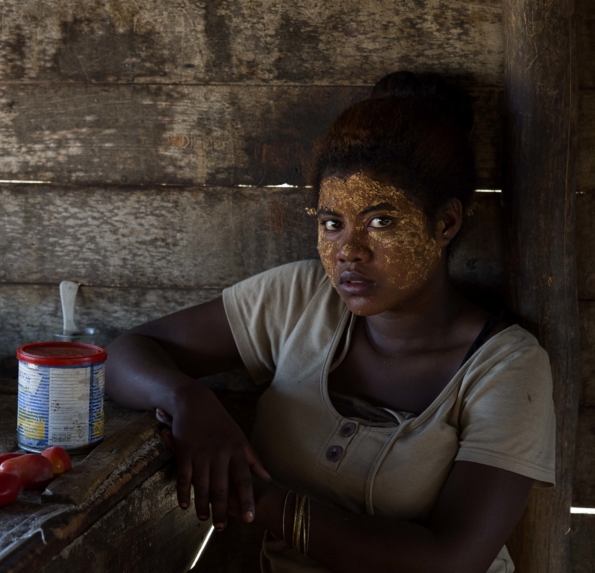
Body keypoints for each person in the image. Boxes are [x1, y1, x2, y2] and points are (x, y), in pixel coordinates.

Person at [105, 71, 556, 573]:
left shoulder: (506, 366)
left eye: (381, 221)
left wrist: (257, 497)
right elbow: (127, 353)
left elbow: (451, 560)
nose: (348, 251)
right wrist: (189, 400)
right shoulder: (300, 299)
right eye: (331, 223)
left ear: (445, 223)